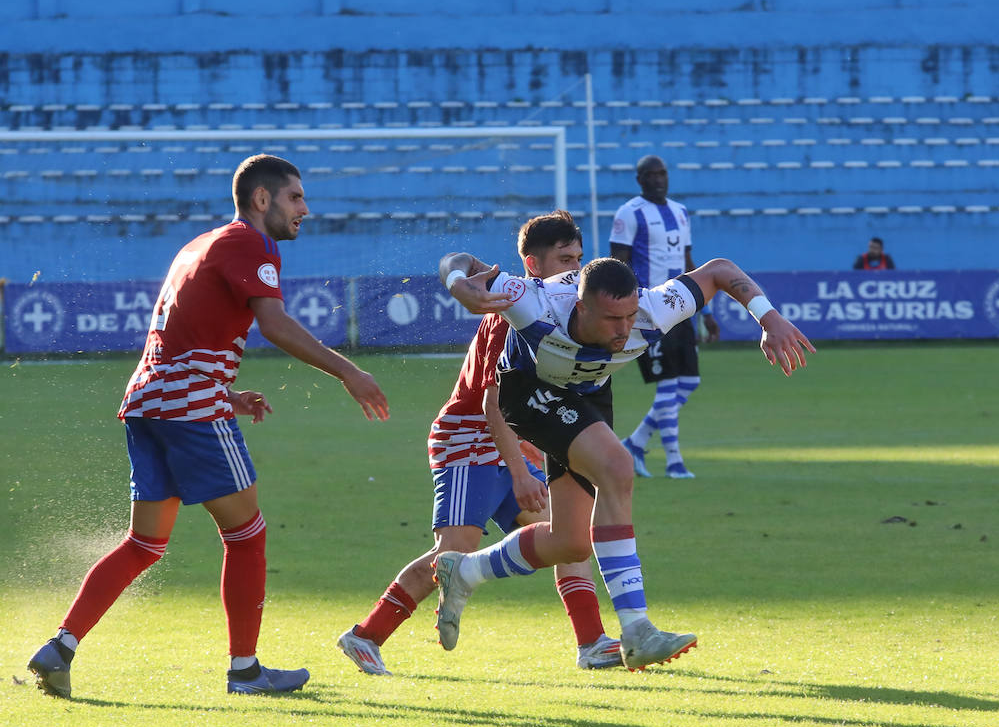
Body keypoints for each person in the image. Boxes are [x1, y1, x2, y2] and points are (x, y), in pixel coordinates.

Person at [26, 154, 391, 699]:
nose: (305, 210)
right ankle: (245, 671)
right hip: (190, 411)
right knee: (247, 535)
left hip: (147, 403)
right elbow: (275, 323)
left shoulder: (200, 244)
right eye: (295, 198)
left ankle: (60, 647)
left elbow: (182, 336)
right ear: (262, 199)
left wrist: (227, 392)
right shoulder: (251, 242)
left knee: (144, 544)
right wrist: (348, 371)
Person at [432, 249, 815, 670]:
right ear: (580, 306)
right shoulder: (533, 302)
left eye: (630, 316)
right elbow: (459, 261)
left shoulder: (652, 310)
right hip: (526, 393)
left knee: (570, 542)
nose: (625, 328)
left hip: (588, 394)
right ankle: (636, 630)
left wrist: (768, 317)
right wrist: (458, 286)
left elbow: (720, 270)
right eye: (612, 319)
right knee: (617, 466)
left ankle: (465, 573)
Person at [336, 210, 624, 674]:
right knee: (453, 553)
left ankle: (591, 642)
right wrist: (519, 472)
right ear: (533, 264)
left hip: (511, 441)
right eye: (565, 259)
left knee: (569, 539)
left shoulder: (559, 304)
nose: (575, 269)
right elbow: (493, 403)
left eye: (579, 258)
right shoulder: (511, 308)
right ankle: (365, 636)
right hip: (471, 437)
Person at [610, 154, 719, 480]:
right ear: (640, 179)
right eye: (652, 174)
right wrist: (623, 310)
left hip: (681, 306)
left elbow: (688, 262)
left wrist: (706, 309)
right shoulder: (629, 213)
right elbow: (618, 264)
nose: (659, 179)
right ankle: (674, 462)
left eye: (663, 173)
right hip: (648, 309)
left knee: (689, 381)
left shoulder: (680, 212)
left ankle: (635, 444)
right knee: (668, 384)